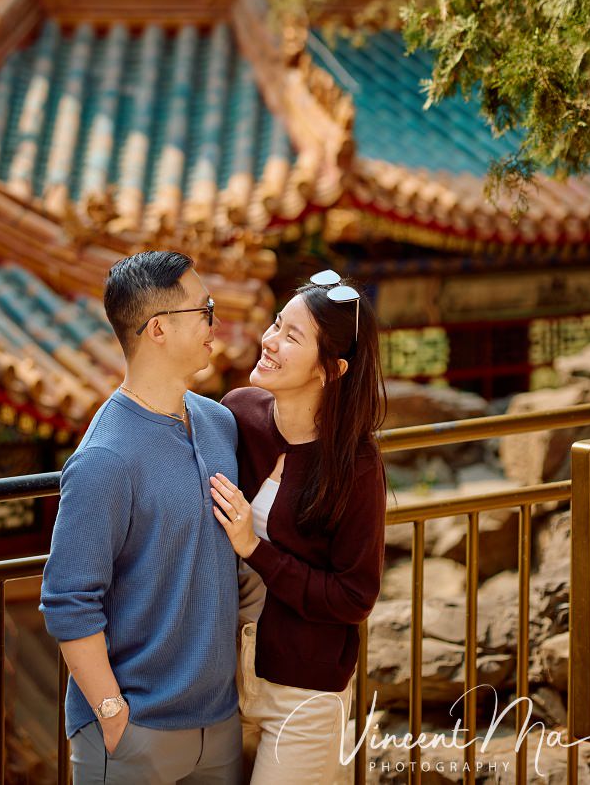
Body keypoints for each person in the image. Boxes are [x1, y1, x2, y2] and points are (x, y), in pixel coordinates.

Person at [40, 249, 243, 785]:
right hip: (137, 732)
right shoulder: (103, 458)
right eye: (204, 309)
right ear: (158, 328)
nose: (213, 322)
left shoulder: (220, 424)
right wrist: (113, 716)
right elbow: (67, 601)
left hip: (220, 724)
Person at [210, 271, 388, 785]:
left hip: (304, 695)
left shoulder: (355, 465)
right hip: (223, 676)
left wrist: (255, 548)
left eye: (292, 337)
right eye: (275, 325)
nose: (269, 341)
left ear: (330, 369)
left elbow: (355, 597)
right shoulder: (239, 412)